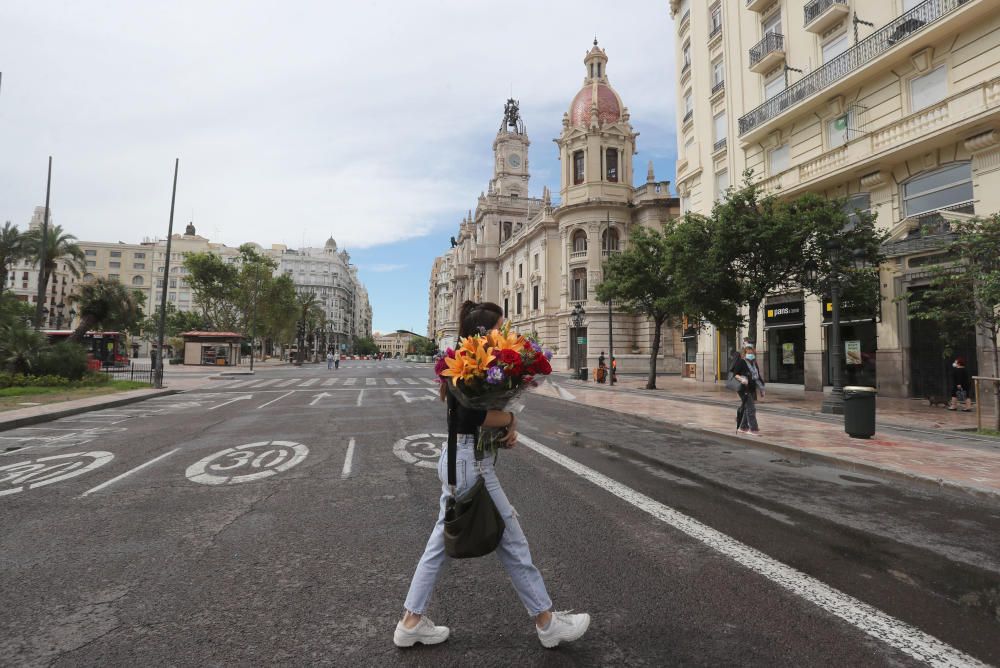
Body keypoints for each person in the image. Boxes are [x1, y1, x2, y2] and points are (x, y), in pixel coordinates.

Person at [394, 300, 591, 650]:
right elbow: (469, 419)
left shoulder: (469, 367)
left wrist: (504, 424)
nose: (507, 333)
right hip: (470, 463)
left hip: (460, 460)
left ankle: (411, 621)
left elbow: (476, 415)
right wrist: (510, 421)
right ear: (485, 333)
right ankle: (547, 621)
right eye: (502, 327)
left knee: (440, 543)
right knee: (513, 542)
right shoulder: (469, 367)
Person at [730, 344, 764, 435]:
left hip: (751, 388)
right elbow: (735, 374)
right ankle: (753, 429)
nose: (750, 354)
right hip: (743, 388)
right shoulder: (741, 362)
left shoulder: (754, 363)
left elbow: (757, 376)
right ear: (744, 353)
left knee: (746, 407)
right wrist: (742, 379)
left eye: (752, 352)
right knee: (751, 408)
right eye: (748, 352)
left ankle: (743, 426)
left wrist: (761, 388)